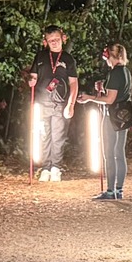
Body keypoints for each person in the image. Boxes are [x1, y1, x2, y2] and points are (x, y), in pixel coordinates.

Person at [23, 25, 78, 181]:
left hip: (60, 103)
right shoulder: (40, 56)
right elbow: (33, 76)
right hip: (41, 102)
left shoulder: (68, 59)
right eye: (50, 40)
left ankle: (56, 167)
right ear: (45, 41)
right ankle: (45, 167)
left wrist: (71, 104)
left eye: (56, 39)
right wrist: (30, 80)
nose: (54, 43)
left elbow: (73, 82)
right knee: (43, 134)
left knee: (58, 135)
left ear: (63, 39)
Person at [86, 42, 132, 202]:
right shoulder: (125, 72)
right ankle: (119, 189)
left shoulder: (115, 73)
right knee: (119, 153)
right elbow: (117, 94)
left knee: (109, 153)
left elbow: (110, 99)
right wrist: (103, 90)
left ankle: (110, 190)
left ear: (111, 56)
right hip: (125, 113)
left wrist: (90, 98)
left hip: (112, 115)